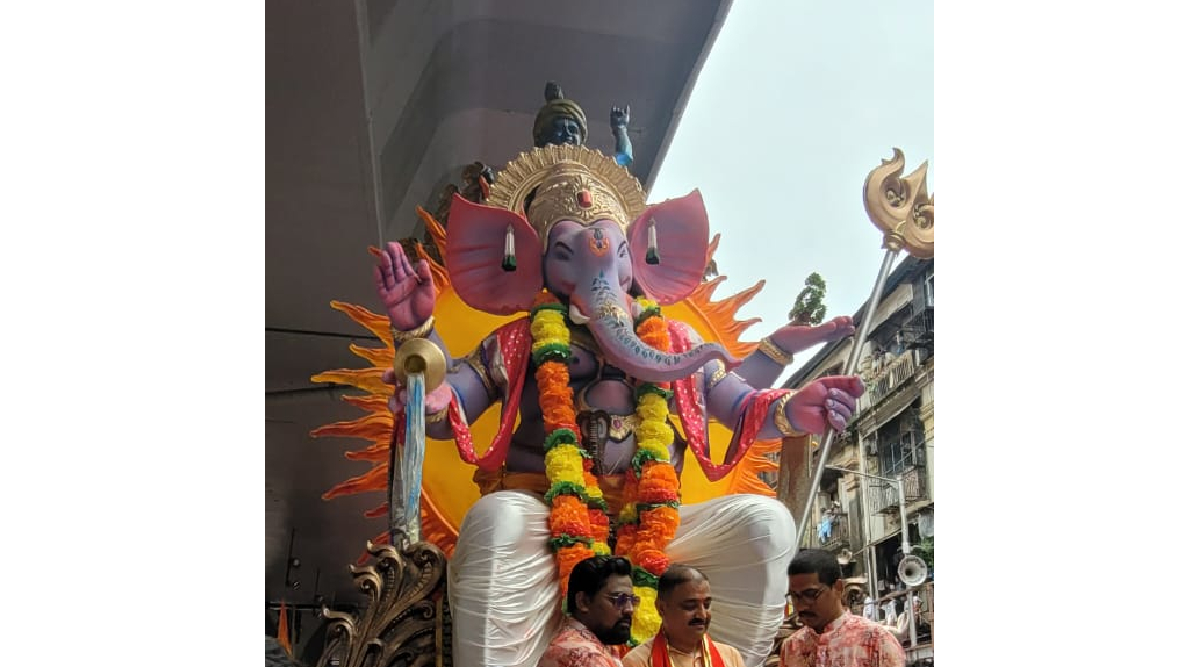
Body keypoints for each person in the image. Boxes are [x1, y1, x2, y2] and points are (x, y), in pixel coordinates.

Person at [780, 550, 904, 667]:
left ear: (838, 588)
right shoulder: (792, 647)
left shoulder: (876, 640)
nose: (801, 605)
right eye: (794, 596)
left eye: (811, 594)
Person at [622, 565, 746, 667]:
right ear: (662, 608)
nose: (702, 614)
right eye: (690, 606)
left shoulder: (730, 656)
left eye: (707, 605)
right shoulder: (639, 661)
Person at [540, 556, 638, 667]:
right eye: (619, 600)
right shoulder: (584, 654)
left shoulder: (591, 643)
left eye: (632, 600)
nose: (629, 609)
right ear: (583, 602)